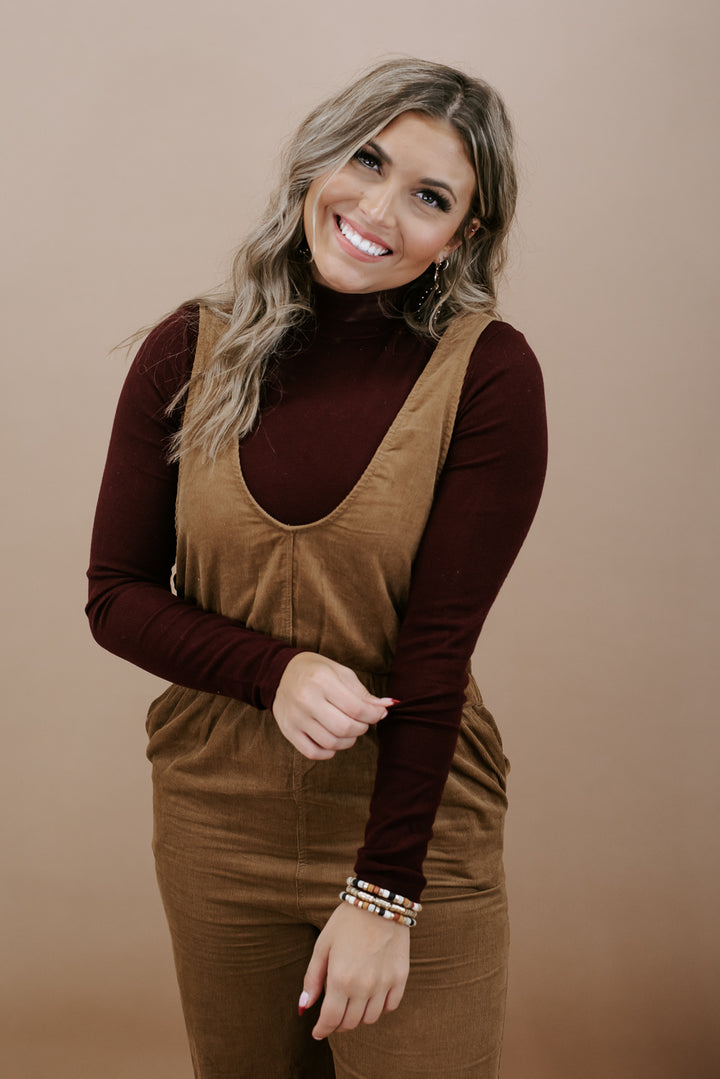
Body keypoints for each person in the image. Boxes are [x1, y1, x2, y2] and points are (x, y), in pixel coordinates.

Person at [87, 57, 547, 1079]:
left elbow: (436, 652)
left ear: (461, 235)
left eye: (429, 196)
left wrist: (386, 892)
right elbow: (115, 595)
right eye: (367, 160)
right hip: (217, 818)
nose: (378, 209)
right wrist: (276, 670)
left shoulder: (489, 372)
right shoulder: (186, 349)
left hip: (412, 826)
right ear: (319, 160)